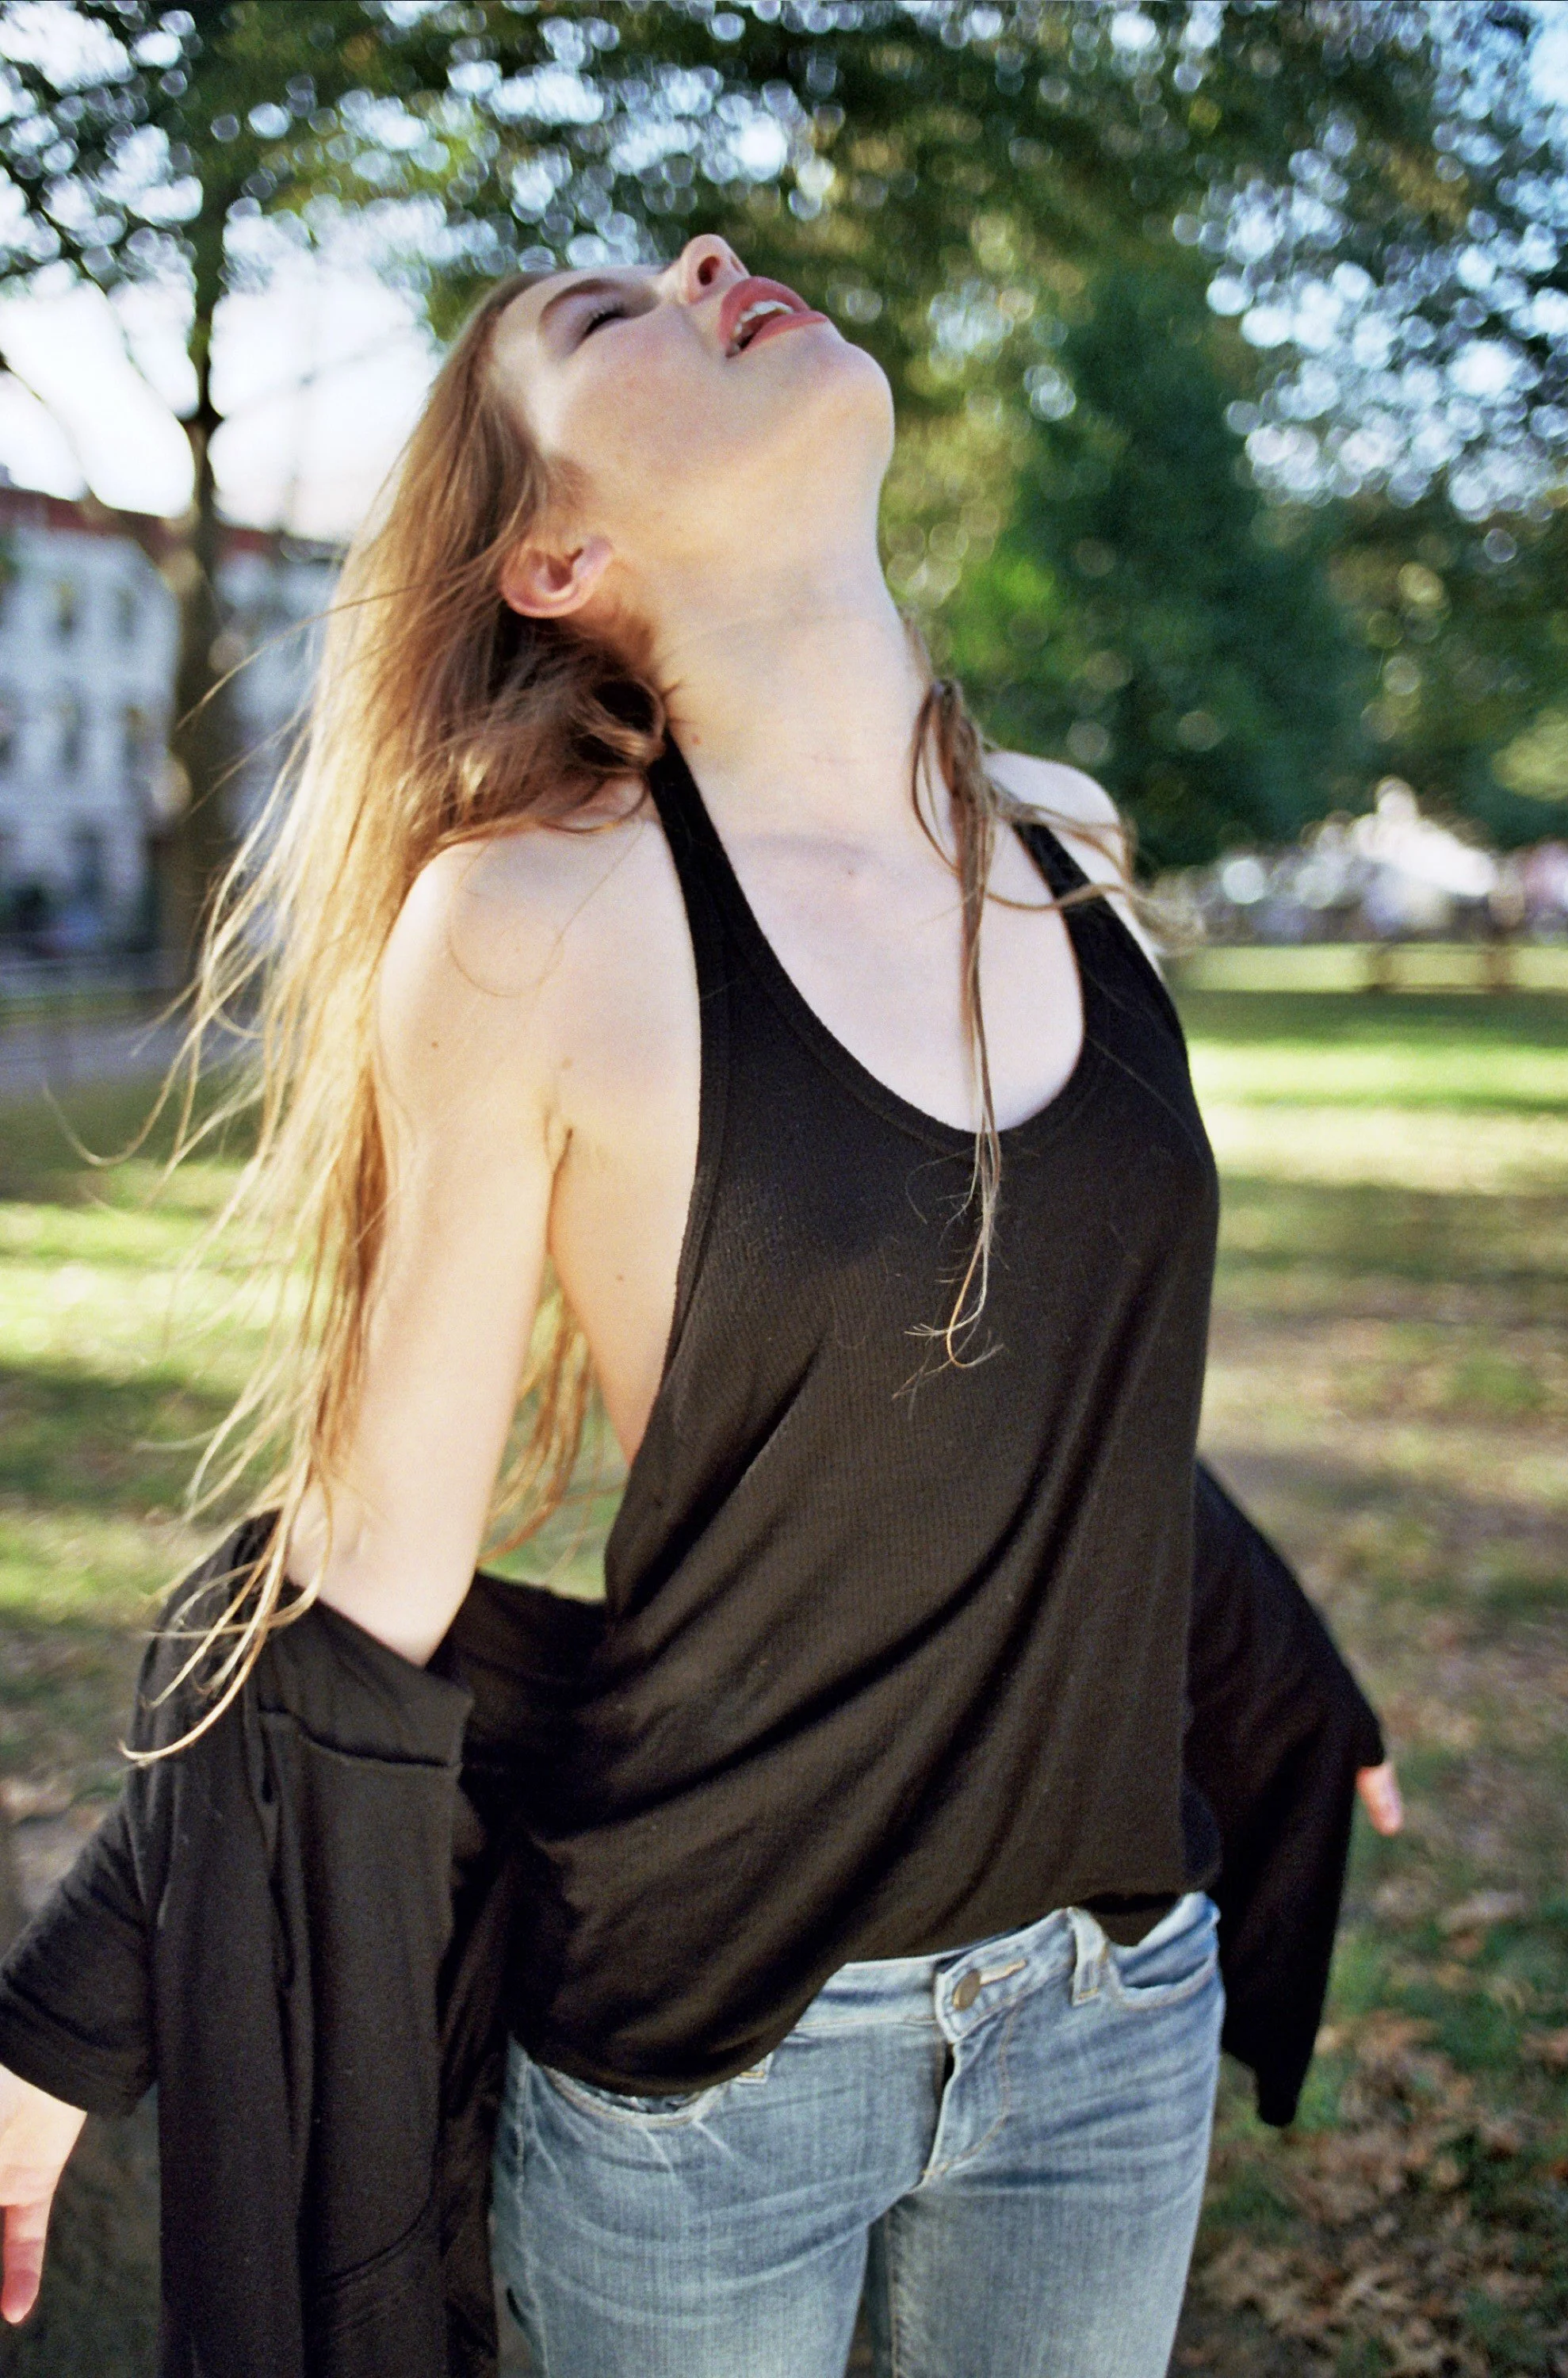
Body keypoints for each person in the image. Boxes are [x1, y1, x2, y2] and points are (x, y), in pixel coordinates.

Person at [0, 235, 1401, 2375]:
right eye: (598, 318)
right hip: (715, 2068)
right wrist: (64, 2017)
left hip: (1111, 2010)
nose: (706, 263)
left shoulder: (1064, 849)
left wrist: (1274, 1668)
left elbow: (1046, 1400)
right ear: (554, 560)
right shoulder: (532, 922)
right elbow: (372, 1568)